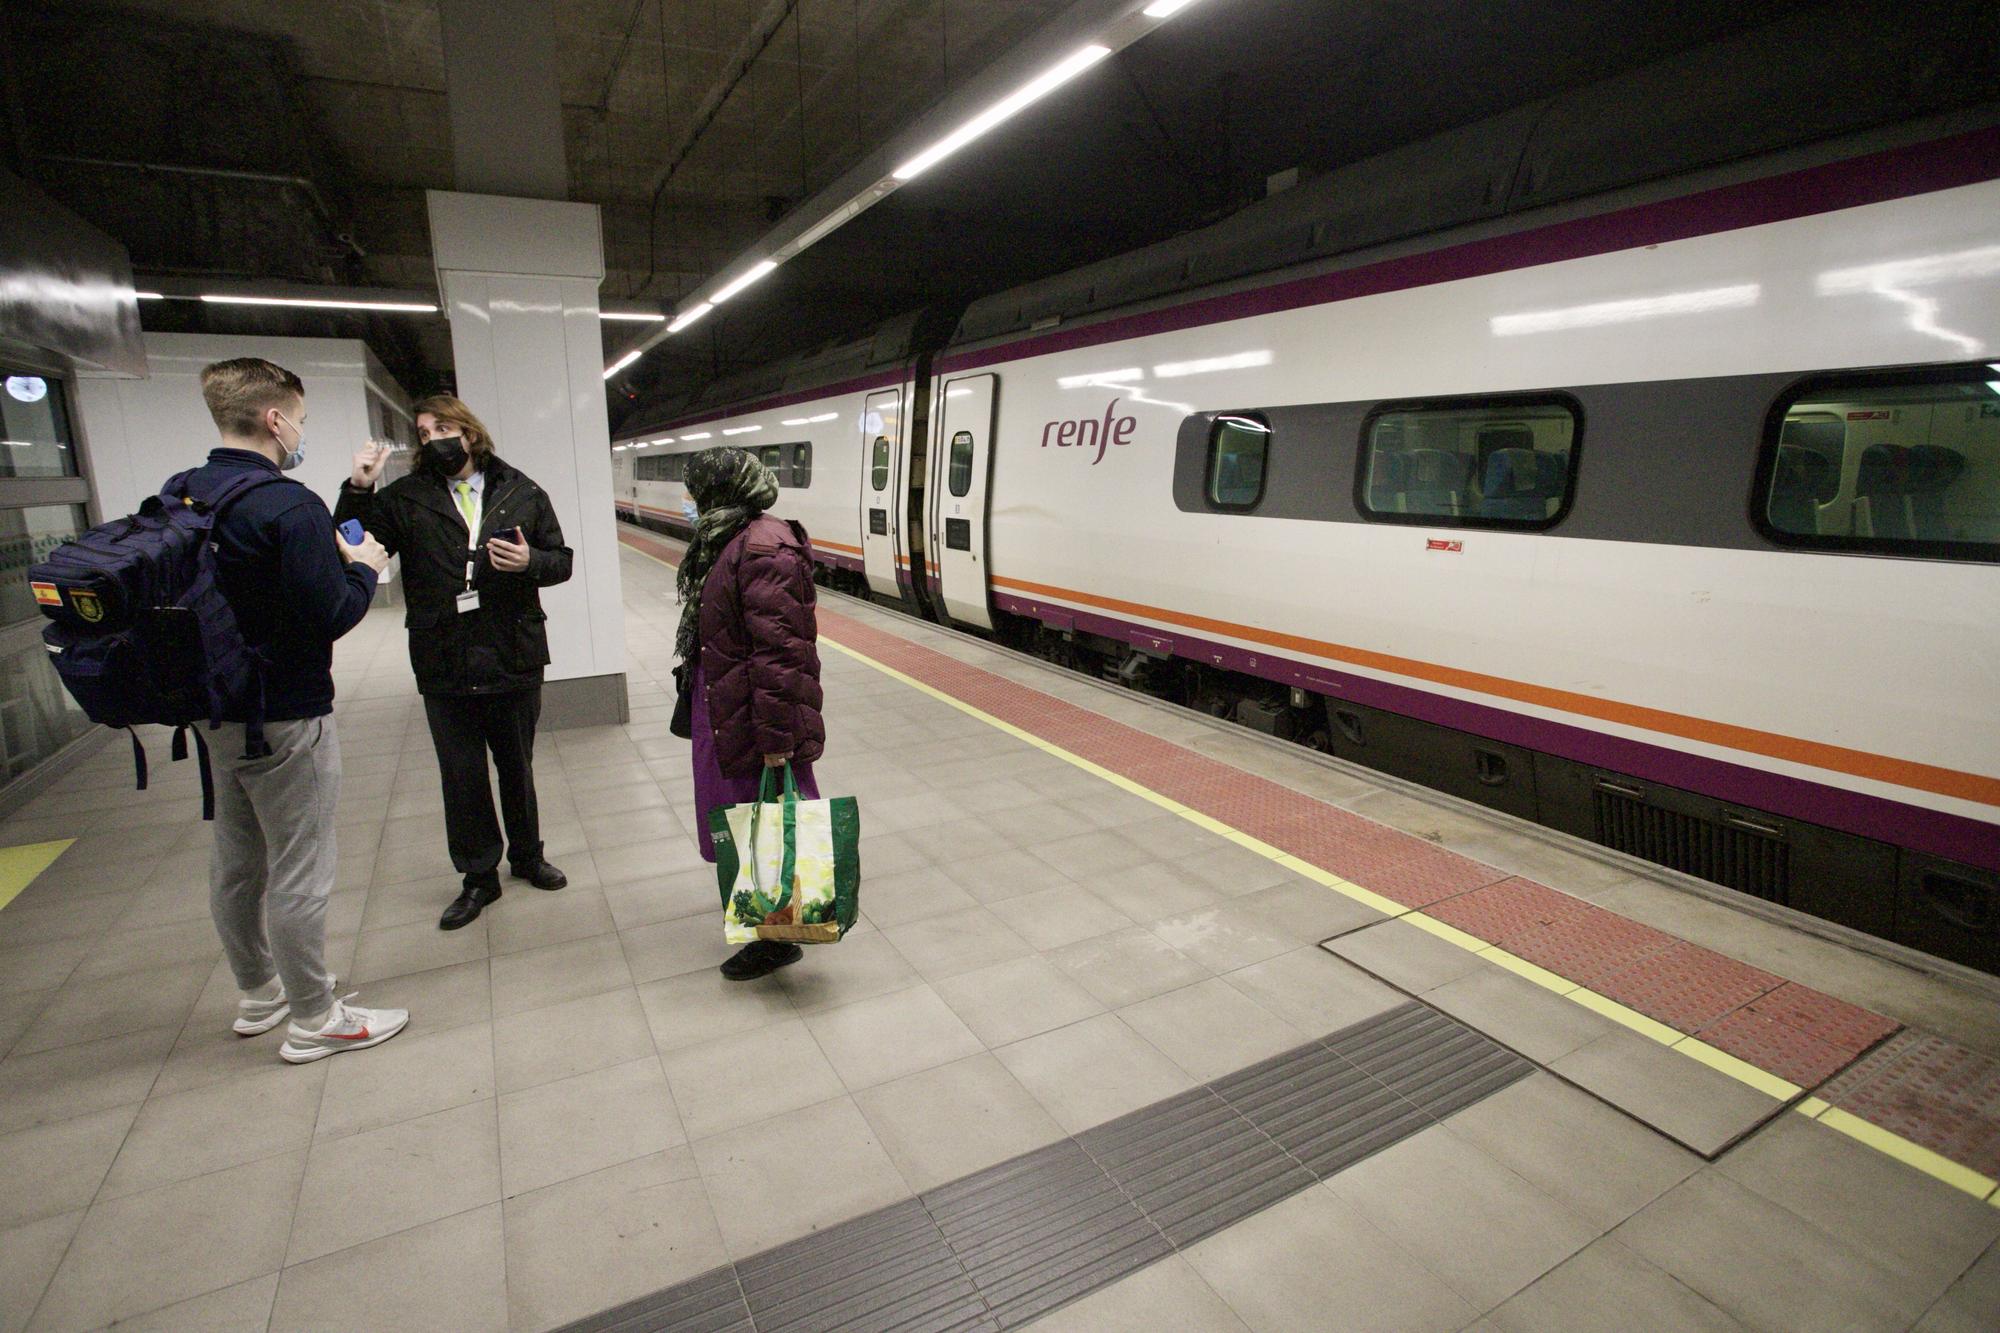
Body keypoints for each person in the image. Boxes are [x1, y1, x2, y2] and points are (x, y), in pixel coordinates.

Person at [189, 357, 408, 1064]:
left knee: (237, 860)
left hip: (212, 706)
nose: (301, 434)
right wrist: (365, 568)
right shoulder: (287, 504)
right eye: (302, 421)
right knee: (299, 867)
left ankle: (260, 992)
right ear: (275, 419)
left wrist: (352, 506)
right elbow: (331, 613)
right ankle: (316, 1016)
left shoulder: (186, 492)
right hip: (285, 712)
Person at [336, 395, 573, 930]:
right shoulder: (404, 498)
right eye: (423, 433)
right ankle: (478, 879)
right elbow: (352, 542)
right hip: (443, 657)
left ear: (469, 432)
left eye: (442, 427)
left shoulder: (521, 490)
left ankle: (528, 857)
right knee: (461, 774)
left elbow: (561, 561)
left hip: (512, 652)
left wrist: (531, 561)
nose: (433, 439)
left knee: (518, 765)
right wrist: (358, 489)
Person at [677, 448, 827, 981]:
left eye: (695, 490)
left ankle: (779, 938)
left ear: (722, 488)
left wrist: (775, 736)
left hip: (757, 716)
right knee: (745, 825)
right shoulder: (731, 539)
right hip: (730, 705)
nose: (689, 501)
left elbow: (780, 654)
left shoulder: (764, 549)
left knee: (765, 827)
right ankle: (769, 926)